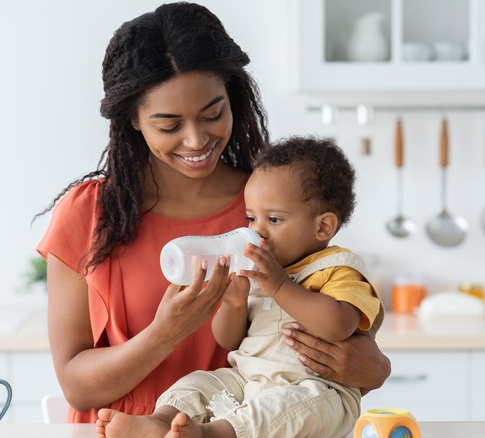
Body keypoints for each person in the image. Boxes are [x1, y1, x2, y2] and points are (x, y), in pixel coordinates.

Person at [35, 2, 390, 424]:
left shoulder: (272, 208)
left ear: (233, 97)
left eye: (213, 114)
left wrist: (375, 367)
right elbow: (76, 386)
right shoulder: (89, 213)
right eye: (169, 126)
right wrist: (166, 332)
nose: (196, 140)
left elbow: (338, 335)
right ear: (133, 118)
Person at [96, 136, 384, 438]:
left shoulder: (338, 267)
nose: (256, 230)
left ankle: (211, 434)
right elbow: (229, 341)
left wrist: (281, 286)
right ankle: (160, 422)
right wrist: (233, 305)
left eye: (273, 219)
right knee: (199, 383)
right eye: (251, 217)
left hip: (312, 388)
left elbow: (339, 325)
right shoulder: (261, 270)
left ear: (323, 226)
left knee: (291, 406)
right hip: (246, 378)